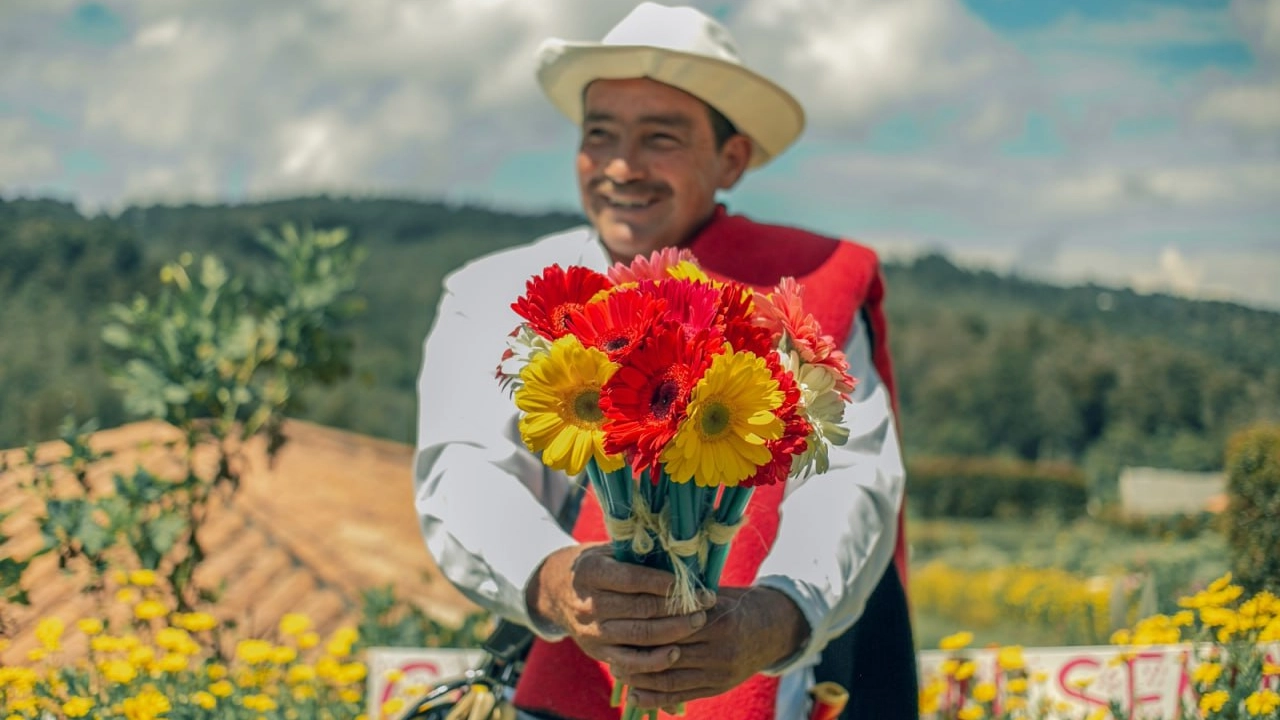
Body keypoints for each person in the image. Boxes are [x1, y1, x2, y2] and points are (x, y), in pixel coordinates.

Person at [413, 3, 916, 719]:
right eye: (600, 135)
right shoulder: (492, 292)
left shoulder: (805, 291)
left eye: (661, 137)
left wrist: (775, 615)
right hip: (561, 691)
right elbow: (462, 472)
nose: (622, 166)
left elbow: (853, 477)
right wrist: (556, 579)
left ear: (731, 160)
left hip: (768, 695)